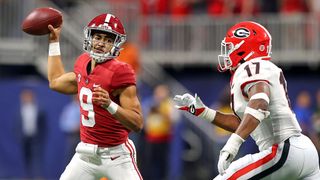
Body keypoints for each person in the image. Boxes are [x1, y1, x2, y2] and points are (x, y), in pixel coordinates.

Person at [174, 21, 320, 179]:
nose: (227, 53)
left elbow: (260, 102)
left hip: (283, 150)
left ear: (244, 48)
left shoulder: (251, 66)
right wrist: (204, 112)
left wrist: (233, 144)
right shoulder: (262, 68)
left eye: (230, 47)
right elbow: (245, 122)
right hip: (303, 152)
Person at [46, 13, 144, 180]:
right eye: (98, 37)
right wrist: (54, 42)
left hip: (116, 155)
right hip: (85, 154)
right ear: (89, 38)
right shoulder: (82, 62)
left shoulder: (121, 71)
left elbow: (137, 123)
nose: (101, 43)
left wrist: (110, 105)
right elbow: (55, 82)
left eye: (108, 40)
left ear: (116, 44)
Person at [16, 89, 46, 178]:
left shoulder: (38, 109)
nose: (27, 99)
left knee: (37, 158)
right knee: (25, 158)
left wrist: (41, 136)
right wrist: (19, 136)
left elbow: (43, 125)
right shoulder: (20, 110)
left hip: (35, 137)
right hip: (24, 137)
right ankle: (27, 176)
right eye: (25, 97)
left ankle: (38, 176)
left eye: (29, 96)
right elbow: (16, 125)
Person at [59, 95, 80, 164]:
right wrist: (73, 127)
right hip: (72, 137)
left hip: (84, 137)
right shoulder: (68, 109)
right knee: (70, 158)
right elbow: (63, 124)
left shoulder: (85, 108)